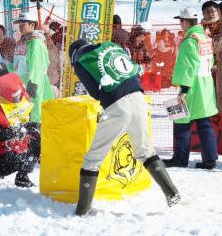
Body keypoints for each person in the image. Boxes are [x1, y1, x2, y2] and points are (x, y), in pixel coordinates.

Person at [68, 38, 181, 216]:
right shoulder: (111, 47)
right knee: (145, 151)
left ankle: (82, 210)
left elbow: (95, 93)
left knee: (92, 158)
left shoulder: (81, 60)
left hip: (118, 105)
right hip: (139, 98)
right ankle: (172, 193)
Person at [163, 8, 218, 169]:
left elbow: (189, 66)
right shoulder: (204, 38)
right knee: (204, 123)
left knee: (181, 121)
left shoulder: (189, 41)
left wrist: (184, 90)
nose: (180, 24)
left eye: (180, 21)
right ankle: (210, 159)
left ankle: (180, 159)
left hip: (192, 86)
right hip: (206, 84)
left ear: (186, 22)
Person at [0, 73, 40, 189]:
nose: (17, 99)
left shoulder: (21, 97)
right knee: (17, 159)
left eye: (19, 95)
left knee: (38, 138)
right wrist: (20, 132)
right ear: (3, 96)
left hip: (17, 141)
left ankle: (22, 177)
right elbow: (0, 135)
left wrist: (30, 89)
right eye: (14, 97)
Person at [12, 12, 54, 123]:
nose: (20, 26)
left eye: (23, 23)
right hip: (21, 86)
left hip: (34, 85)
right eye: (19, 24)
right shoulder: (22, 43)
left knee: (36, 112)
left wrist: (32, 83)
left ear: (32, 25)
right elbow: (18, 65)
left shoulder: (36, 43)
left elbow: (37, 66)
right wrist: (6, 67)